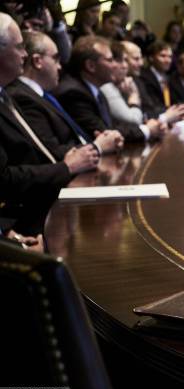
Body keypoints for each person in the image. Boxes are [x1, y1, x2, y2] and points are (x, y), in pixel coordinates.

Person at [0, 12, 98, 235]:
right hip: (22, 219)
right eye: (18, 47)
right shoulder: (16, 94)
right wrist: (67, 166)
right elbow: (4, 180)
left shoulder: (5, 95)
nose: (24, 54)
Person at [7, 31, 122, 160]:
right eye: (55, 59)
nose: (60, 67)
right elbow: (50, 151)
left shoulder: (43, 94)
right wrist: (97, 147)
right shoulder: (22, 97)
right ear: (37, 61)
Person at [54, 35, 164, 143]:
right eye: (110, 60)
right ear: (91, 66)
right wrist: (147, 130)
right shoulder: (74, 94)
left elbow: (113, 127)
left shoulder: (96, 90)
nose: (116, 65)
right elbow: (105, 134)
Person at [122, 40, 184, 123]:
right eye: (163, 56)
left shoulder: (168, 77)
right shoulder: (143, 77)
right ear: (151, 58)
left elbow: (174, 100)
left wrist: (181, 109)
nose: (167, 60)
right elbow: (148, 108)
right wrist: (169, 115)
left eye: (170, 57)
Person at [100, 41, 145, 125]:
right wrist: (133, 96)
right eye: (118, 60)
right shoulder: (106, 86)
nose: (125, 66)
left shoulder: (127, 82)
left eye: (125, 60)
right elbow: (134, 121)